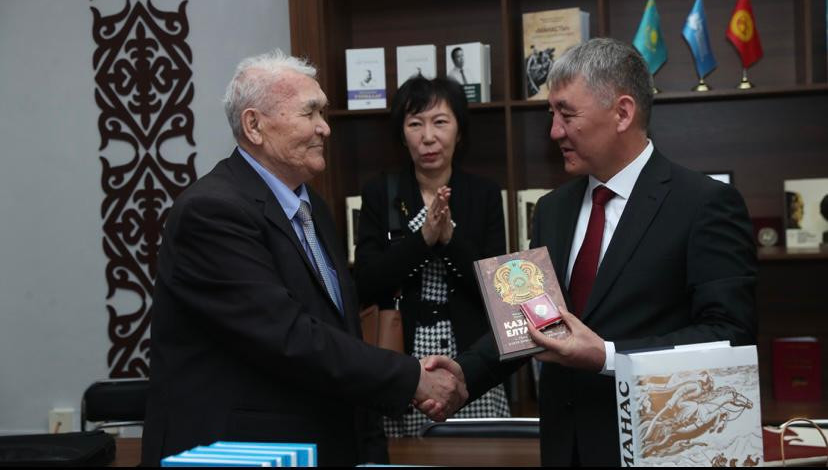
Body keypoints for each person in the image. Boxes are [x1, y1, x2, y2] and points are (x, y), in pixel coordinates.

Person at [141, 51, 467, 467]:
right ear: (254, 126)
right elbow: (287, 336)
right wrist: (411, 377)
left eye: (323, 112)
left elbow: (341, 330)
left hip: (318, 442)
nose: (324, 127)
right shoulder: (211, 212)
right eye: (309, 113)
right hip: (240, 452)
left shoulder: (309, 204)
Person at [445, 38, 757, 465]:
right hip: (564, 448)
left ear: (623, 113)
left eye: (567, 114)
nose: (554, 131)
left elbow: (729, 335)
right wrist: (462, 374)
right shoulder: (552, 209)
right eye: (551, 114)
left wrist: (608, 356)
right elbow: (531, 319)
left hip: (656, 447)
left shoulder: (704, 204)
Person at [354, 76, 509, 437]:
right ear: (402, 134)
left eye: (440, 122)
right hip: (403, 361)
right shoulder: (381, 193)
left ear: (459, 130)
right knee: (407, 456)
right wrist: (423, 239)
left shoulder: (484, 194)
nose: (428, 137)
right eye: (415, 124)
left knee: (477, 454)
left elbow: (498, 290)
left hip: (470, 361)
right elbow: (366, 283)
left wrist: (449, 238)